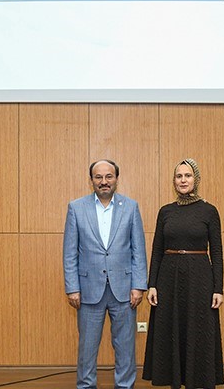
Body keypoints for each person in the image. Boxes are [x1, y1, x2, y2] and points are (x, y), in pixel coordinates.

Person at [64, 159, 148, 389]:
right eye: (98, 177)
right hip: (88, 290)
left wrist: (138, 285)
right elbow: (70, 252)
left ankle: (124, 385)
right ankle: (86, 385)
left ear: (116, 179)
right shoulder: (76, 208)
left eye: (109, 176)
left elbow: (138, 250)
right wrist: (72, 288)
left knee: (125, 346)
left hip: (125, 290)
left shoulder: (130, 207)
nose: (104, 181)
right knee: (87, 347)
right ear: (91, 180)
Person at [143, 158, 224, 389]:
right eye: (179, 176)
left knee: (198, 329)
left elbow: (217, 253)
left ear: (196, 179)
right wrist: (152, 284)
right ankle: (173, 379)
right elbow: (157, 250)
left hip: (200, 279)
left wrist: (218, 288)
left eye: (187, 176)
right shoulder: (165, 211)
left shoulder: (209, 211)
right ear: (174, 180)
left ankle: (196, 380)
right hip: (168, 279)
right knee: (171, 329)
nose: (183, 180)